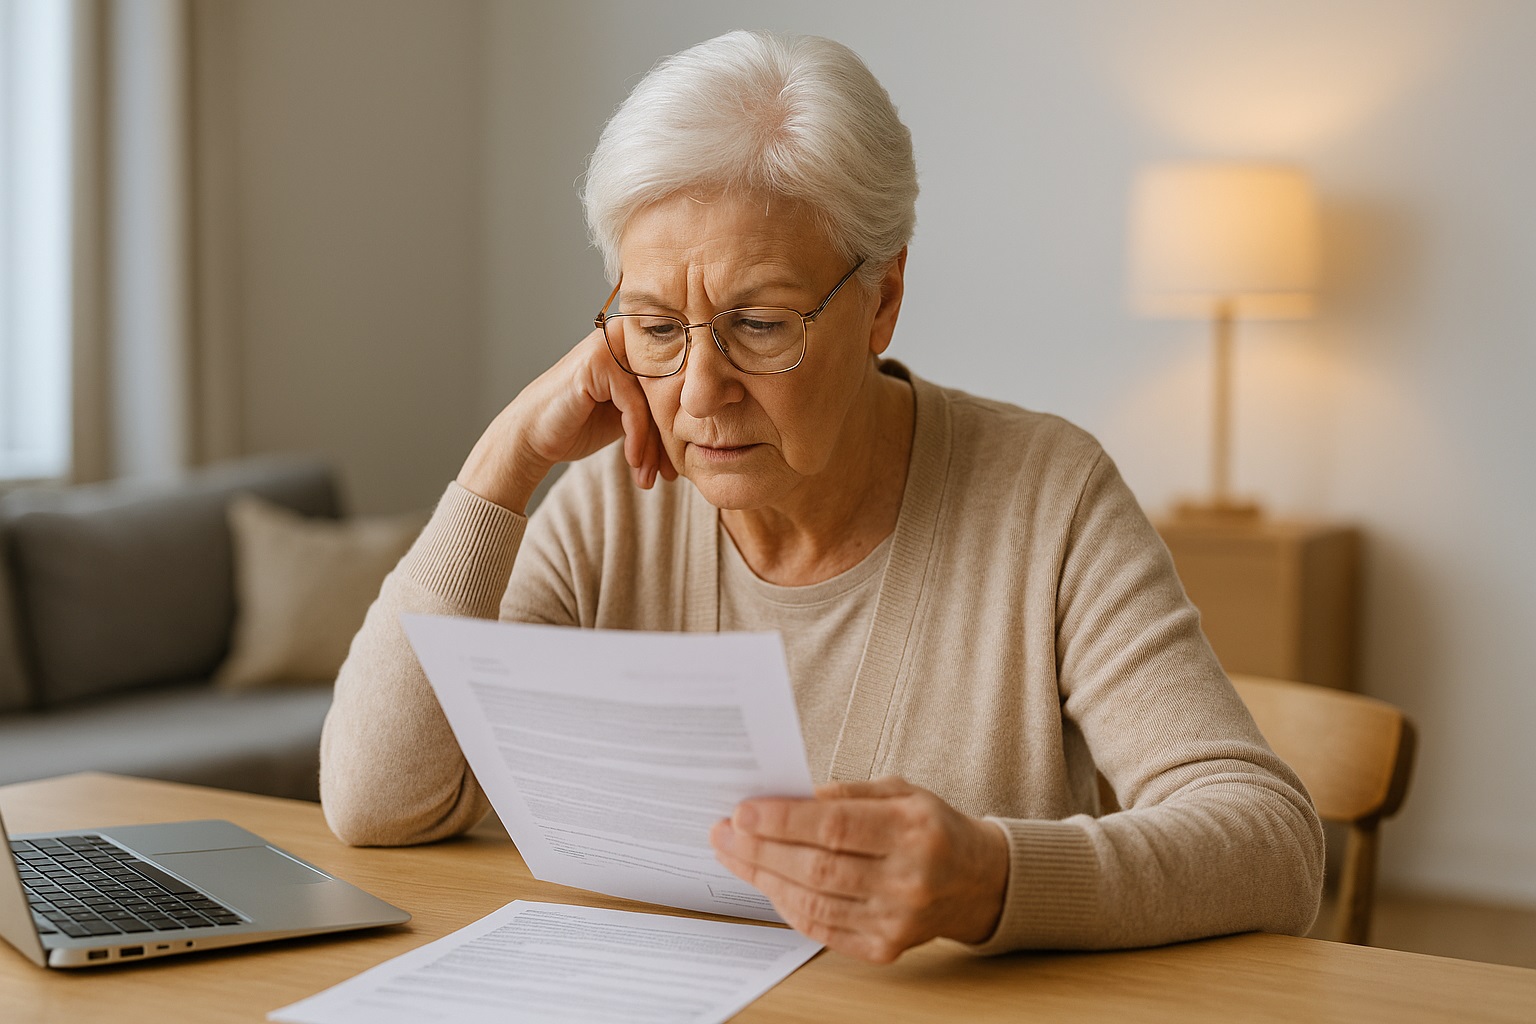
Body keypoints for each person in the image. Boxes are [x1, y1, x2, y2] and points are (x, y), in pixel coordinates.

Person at [320, 29, 1323, 963]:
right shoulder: (610, 509)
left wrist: (993, 877)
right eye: (656, 326)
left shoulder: (1046, 499)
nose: (701, 394)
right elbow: (378, 802)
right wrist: (501, 466)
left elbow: (1272, 844)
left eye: (757, 322)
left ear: (882, 297)